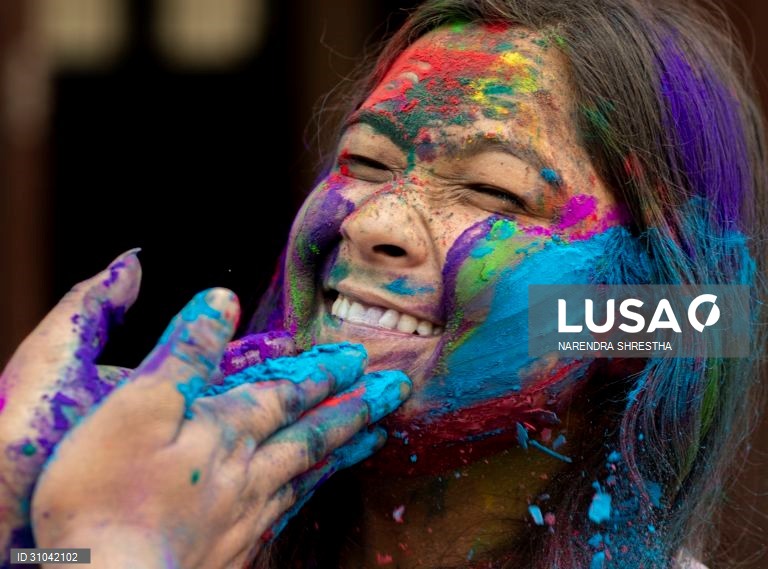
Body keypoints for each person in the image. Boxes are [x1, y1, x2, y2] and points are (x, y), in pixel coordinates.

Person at [1, 0, 765, 567]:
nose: (374, 220)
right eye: (365, 161)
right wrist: (25, 523)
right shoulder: (176, 525)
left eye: (493, 191)